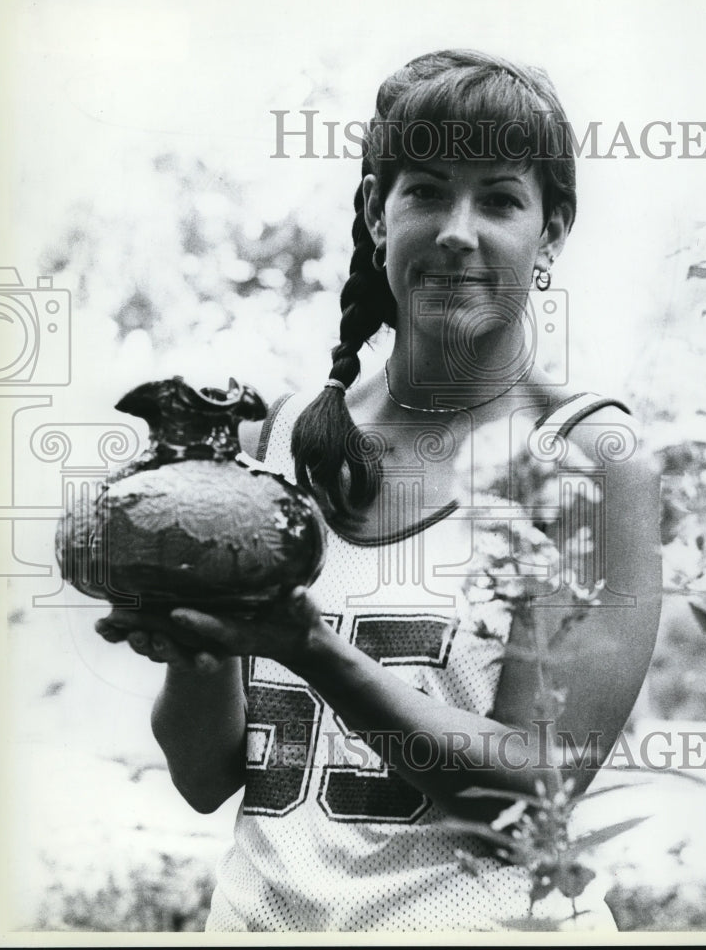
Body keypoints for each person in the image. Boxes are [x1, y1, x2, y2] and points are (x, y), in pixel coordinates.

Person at [96, 49, 662, 932]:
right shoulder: (274, 442)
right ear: (375, 212)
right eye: (427, 192)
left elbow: (530, 796)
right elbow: (207, 778)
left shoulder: (588, 457)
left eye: (501, 199)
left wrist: (310, 647)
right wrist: (195, 646)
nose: (458, 231)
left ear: (551, 231)